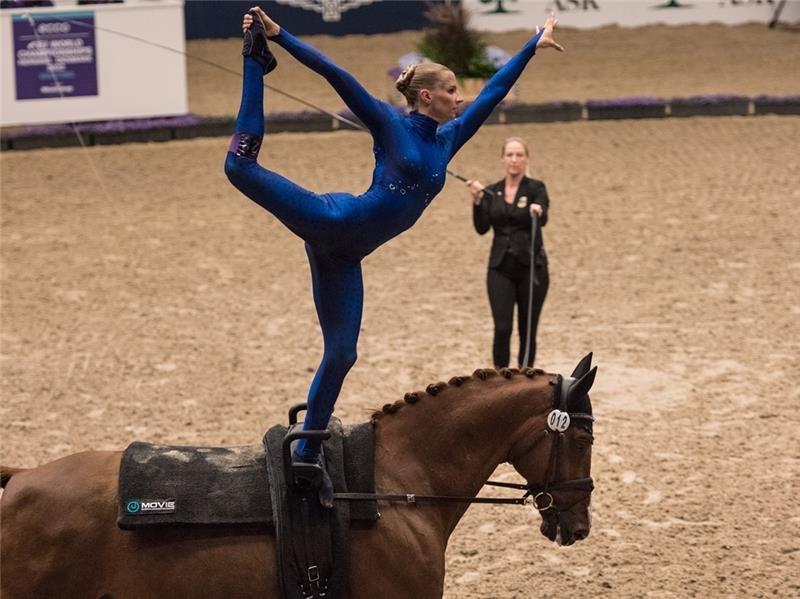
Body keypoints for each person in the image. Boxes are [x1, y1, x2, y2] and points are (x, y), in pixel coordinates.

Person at [224, 5, 563, 495]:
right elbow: (337, 76)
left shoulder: (448, 139)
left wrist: (532, 44)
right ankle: (254, 62)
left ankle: (307, 452)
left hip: (344, 255)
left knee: (342, 354)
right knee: (238, 167)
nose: (459, 97)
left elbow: (493, 93)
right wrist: (279, 36)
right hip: (333, 218)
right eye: (451, 91)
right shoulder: (389, 124)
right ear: (427, 96)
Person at [467, 137, 549, 369]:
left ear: (526, 159)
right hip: (500, 266)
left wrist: (537, 210)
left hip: (532, 268)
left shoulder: (536, 188)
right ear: (502, 159)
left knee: (527, 328)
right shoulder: (493, 191)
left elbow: (543, 216)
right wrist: (477, 201)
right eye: (510, 155)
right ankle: (499, 379)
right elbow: (482, 228)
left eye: (519, 155)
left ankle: (525, 377)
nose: (514, 160)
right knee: (502, 328)